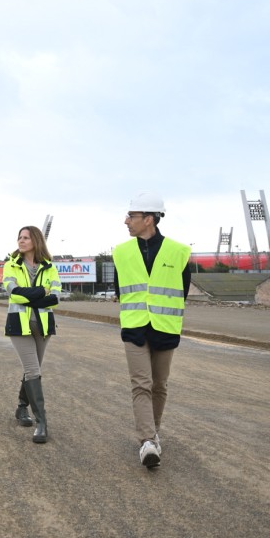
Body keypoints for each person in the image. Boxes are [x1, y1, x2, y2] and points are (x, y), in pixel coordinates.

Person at [113, 191, 191, 468]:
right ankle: (146, 440)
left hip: (165, 327)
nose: (126, 221)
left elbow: (181, 291)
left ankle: (152, 435)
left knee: (160, 385)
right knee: (141, 384)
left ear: (149, 219)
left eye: (131, 216)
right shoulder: (120, 252)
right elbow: (120, 290)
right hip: (134, 327)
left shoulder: (179, 252)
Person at [2, 226, 62, 444]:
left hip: (43, 326)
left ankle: (21, 407)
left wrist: (32, 295)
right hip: (19, 325)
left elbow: (55, 297)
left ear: (36, 240)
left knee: (33, 370)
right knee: (33, 370)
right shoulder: (11, 264)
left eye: (25, 237)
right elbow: (13, 292)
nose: (21, 240)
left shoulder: (49, 267)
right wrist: (39, 293)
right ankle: (42, 422)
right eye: (19, 237)